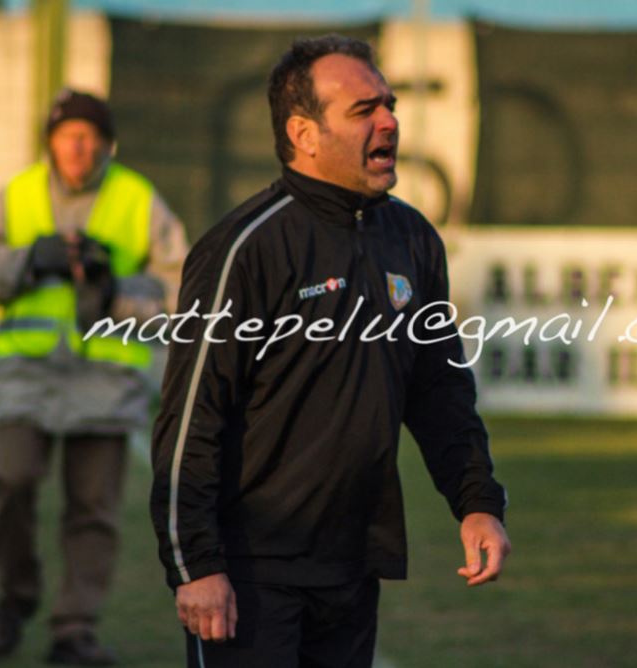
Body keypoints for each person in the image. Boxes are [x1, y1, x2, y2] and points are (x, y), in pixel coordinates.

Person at [150, 34, 511, 667]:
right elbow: (191, 420)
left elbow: (439, 390)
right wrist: (196, 565)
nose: (389, 122)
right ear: (304, 134)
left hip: (352, 564)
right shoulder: (245, 249)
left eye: (389, 105)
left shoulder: (413, 239)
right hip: (250, 571)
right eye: (364, 110)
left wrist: (476, 501)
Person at [0, 89, 188, 665]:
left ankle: (74, 629)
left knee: (93, 511)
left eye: (88, 136)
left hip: (107, 379)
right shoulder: (18, 193)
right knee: (8, 482)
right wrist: (29, 261)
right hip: (23, 375)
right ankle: (12, 600)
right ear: (50, 142)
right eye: (67, 136)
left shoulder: (139, 199)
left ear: (108, 144)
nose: (77, 147)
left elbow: (180, 295)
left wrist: (113, 294)